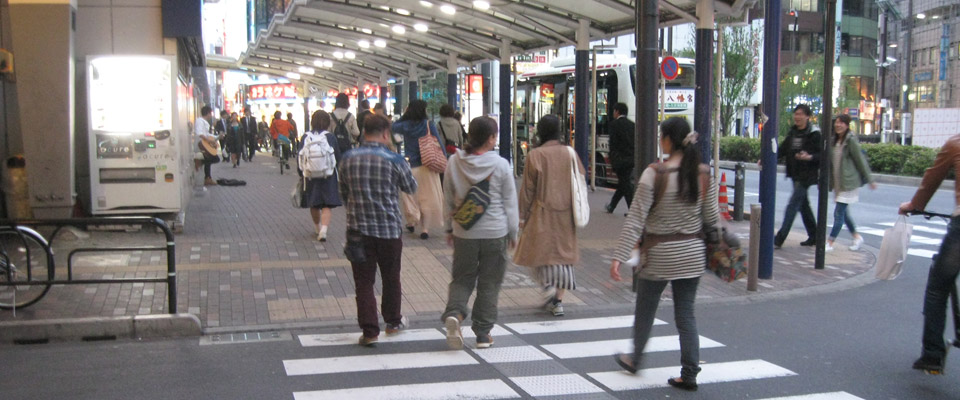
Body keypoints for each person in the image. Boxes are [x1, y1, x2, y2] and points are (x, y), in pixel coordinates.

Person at [608, 116, 719, 391]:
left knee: (645, 309)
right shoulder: (704, 173)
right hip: (692, 254)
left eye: (662, 136)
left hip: (658, 255)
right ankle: (690, 371)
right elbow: (712, 219)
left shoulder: (654, 173)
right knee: (685, 313)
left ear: (668, 140)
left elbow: (635, 219)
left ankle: (634, 359)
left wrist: (619, 256)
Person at [339, 114, 418, 347]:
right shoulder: (394, 159)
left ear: (364, 132)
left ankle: (370, 331)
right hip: (389, 230)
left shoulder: (347, 158)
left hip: (358, 230)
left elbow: (343, 191)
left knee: (363, 281)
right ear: (386, 134)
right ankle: (393, 322)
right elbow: (411, 187)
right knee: (391, 277)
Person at [441, 116, 519, 350]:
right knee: (489, 282)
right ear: (491, 138)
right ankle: (483, 334)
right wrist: (513, 232)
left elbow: (447, 198)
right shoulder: (501, 165)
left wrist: (448, 228)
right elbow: (510, 203)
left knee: (462, 278)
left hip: (464, 232)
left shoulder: (454, 162)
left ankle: (455, 313)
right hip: (495, 232)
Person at [898, 133, 960, 374]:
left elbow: (932, 179)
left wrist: (915, 206)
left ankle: (932, 355)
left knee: (938, 286)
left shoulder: (955, 143)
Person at [513, 115, 584, 317]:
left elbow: (527, 190)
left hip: (541, 212)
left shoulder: (535, 155)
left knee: (539, 253)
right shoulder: (569, 153)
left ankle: (547, 287)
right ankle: (558, 300)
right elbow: (580, 177)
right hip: (567, 213)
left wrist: (522, 215)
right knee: (564, 256)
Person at [393, 99, 447, 239]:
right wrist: (443, 161)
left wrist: (405, 115)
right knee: (427, 198)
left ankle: (412, 221)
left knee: (411, 197)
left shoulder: (405, 125)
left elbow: (393, 126)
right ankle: (425, 229)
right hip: (428, 166)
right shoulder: (429, 124)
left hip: (411, 167)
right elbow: (440, 145)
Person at [774, 104, 821, 248]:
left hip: (806, 176)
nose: (797, 117)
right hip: (795, 174)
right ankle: (815, 235)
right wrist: (767, 159)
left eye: (801, 114)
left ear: (807, 116)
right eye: (796, 114)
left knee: (792, 206)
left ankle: (779, 239)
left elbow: (822, 155)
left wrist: (809, 157)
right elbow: (782, 149)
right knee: (803, 206)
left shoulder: (814, 134)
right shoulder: (793, 133)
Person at [827, 114, 876, 251]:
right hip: (839, 183)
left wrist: (870, 179)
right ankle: (857, 237)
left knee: (838, 213)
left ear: (847, 125)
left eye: (842, 123)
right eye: (837, 122)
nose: (838, 125)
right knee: (844, 214)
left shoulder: (851, 141)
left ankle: (829, 243)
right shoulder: (835, 141)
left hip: (849, 182)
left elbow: (860, 160)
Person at [300, 110, 342, 242]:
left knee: (314, 203)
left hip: (310, 175)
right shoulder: (330, 137)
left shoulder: (305, 137)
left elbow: (300, 157)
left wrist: (301, 174)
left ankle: (317, 228)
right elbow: (337, 157)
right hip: (328, 175)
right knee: (326, 204)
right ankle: (324, 230)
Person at [605, 102, 636, 214]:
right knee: (623, 183)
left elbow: (612, 144)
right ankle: (612, 206)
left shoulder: (614, 125)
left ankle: (633, 211)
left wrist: (612, 158)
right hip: (631, 159)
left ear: (617, 111)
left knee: (625, 184)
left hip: (619, 160)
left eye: (614, 111)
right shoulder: (632, 125)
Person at [195, 105, 221, 186]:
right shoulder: (200, 121)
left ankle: (208, 178)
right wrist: (209, 140)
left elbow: (206, 134)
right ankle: (200, 162)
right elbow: (200, 133)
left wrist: (216, 138)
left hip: (205, 143)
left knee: (209, 160)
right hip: (201, 144)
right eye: (210, 113)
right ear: (208, 113)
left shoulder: (204, 122)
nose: (211, 115)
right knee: (214, 158)